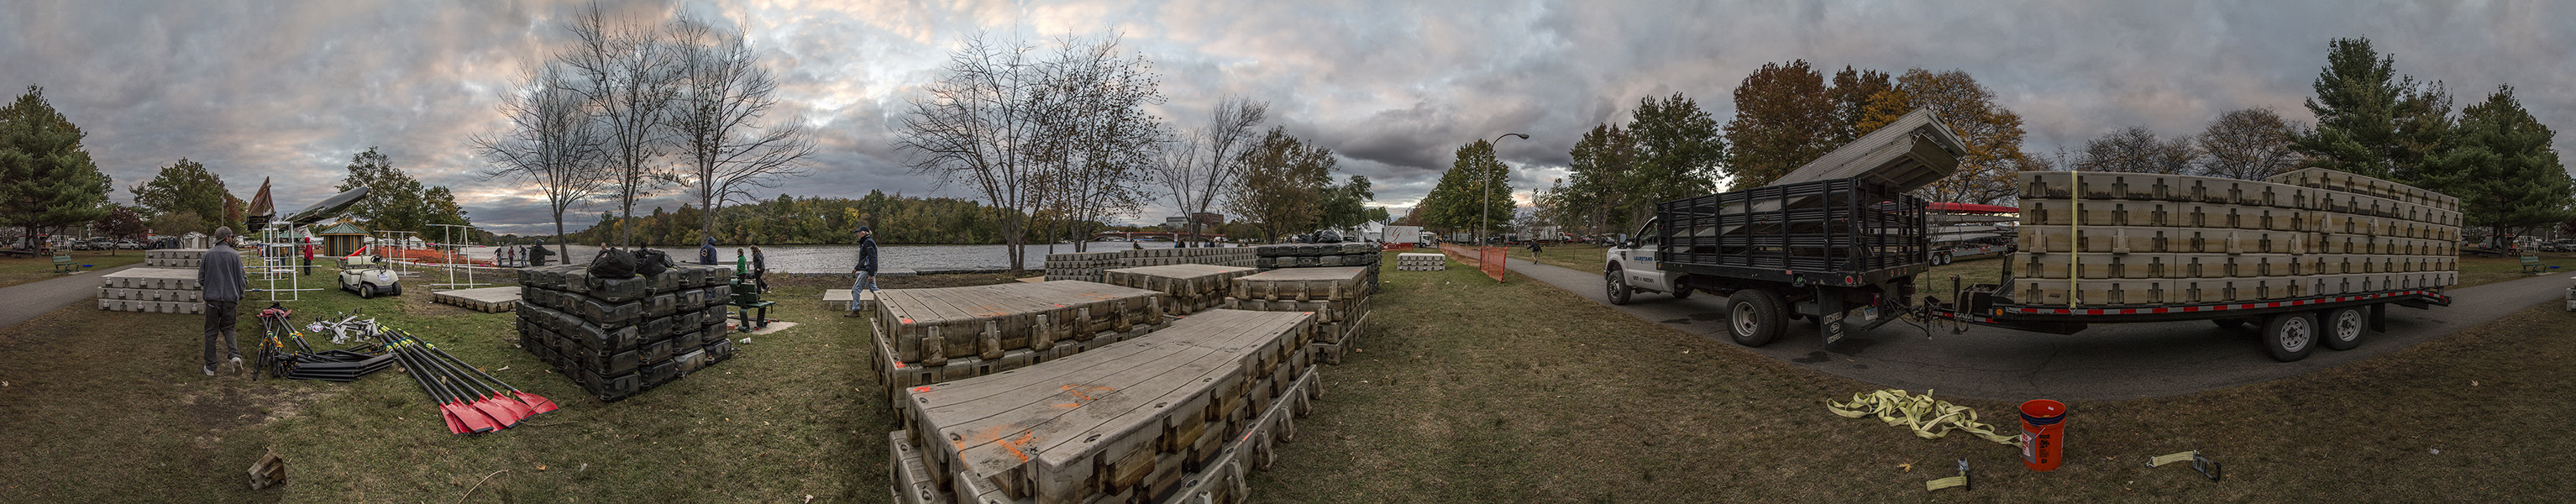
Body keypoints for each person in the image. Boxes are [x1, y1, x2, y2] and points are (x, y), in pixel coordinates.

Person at [199, 227, 248, 377]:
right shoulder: (235, 256)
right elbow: (242, 280)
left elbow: (201, 279)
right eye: (231, 236)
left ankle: (210, 367)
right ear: (226, 238)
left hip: (212, 301)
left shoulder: (207, 255)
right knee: (229, 329)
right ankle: (234, 356)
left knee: (211, 332)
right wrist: (239, 294)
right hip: (230, 300)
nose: (232, 239)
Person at [847, 227, 879, 317]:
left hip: (867, 271)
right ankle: (887, 301)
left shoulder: (868, 242)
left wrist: (871, 274)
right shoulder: (865, 242)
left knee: (855, 290)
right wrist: (856, 268)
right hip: (868, 270)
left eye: (859, 232)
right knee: (874, 289)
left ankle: (855, 311)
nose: (858, 234)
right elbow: (864, 259)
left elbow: (872, 259)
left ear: (864, 233)